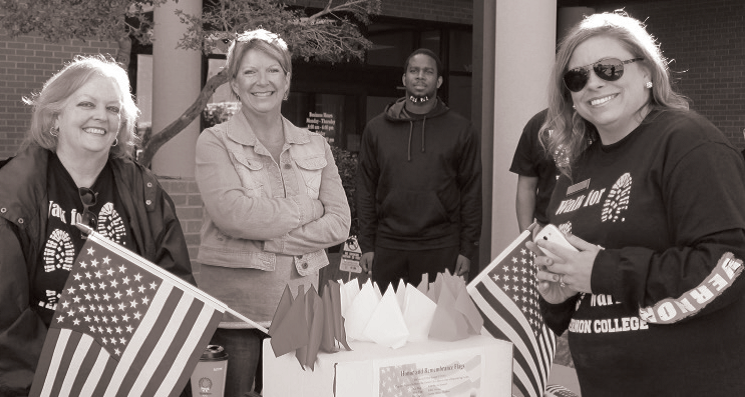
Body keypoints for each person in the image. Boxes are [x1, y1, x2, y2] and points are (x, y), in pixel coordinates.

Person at [527, 12, 745, 396]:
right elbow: (580, 293)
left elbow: (728, 265)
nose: (592, 83)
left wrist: (602, 272)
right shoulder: (573, 171)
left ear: (647, 72)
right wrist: (557, 298)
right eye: (576, 77)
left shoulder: (689, 143)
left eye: (608, 69)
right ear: (570, 97)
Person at [0, 55, 195, 396]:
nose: (101, 116)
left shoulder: (146, 194)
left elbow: (175, 297)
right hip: (39, 382)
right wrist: (75, 382)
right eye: (86, 104)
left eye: (113, 108)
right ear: (55, 116)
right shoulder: (11, 195)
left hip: (127, 382)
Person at [194, 29, 351, 397]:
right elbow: (232, 216)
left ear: (287, 80)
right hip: (237, 312)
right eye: (249, 72)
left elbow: (340, 223)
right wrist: (309, 209)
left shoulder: (315, 144)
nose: (261, 81)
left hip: (300, 303)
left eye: (273, 70)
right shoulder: (214, 142)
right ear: (234, 83)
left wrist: (266, 235)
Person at [356, 48, 482, 291]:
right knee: (387, 326)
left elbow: (471, 192)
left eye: (428, 71)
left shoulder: (461, 129)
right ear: (404, 79)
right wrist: (367, 244)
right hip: (388, 245)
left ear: (439, 80)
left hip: (441, 246)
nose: (420, 76)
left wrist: (467, 249)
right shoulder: (376, 129)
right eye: (414, 71)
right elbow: (365, 189)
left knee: (434, 327)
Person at [509, 108, 558, 232]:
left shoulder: (600, 120)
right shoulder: (539, 124)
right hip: (549, 229)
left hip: (594, 229)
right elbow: (526, 187)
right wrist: (525, 237)